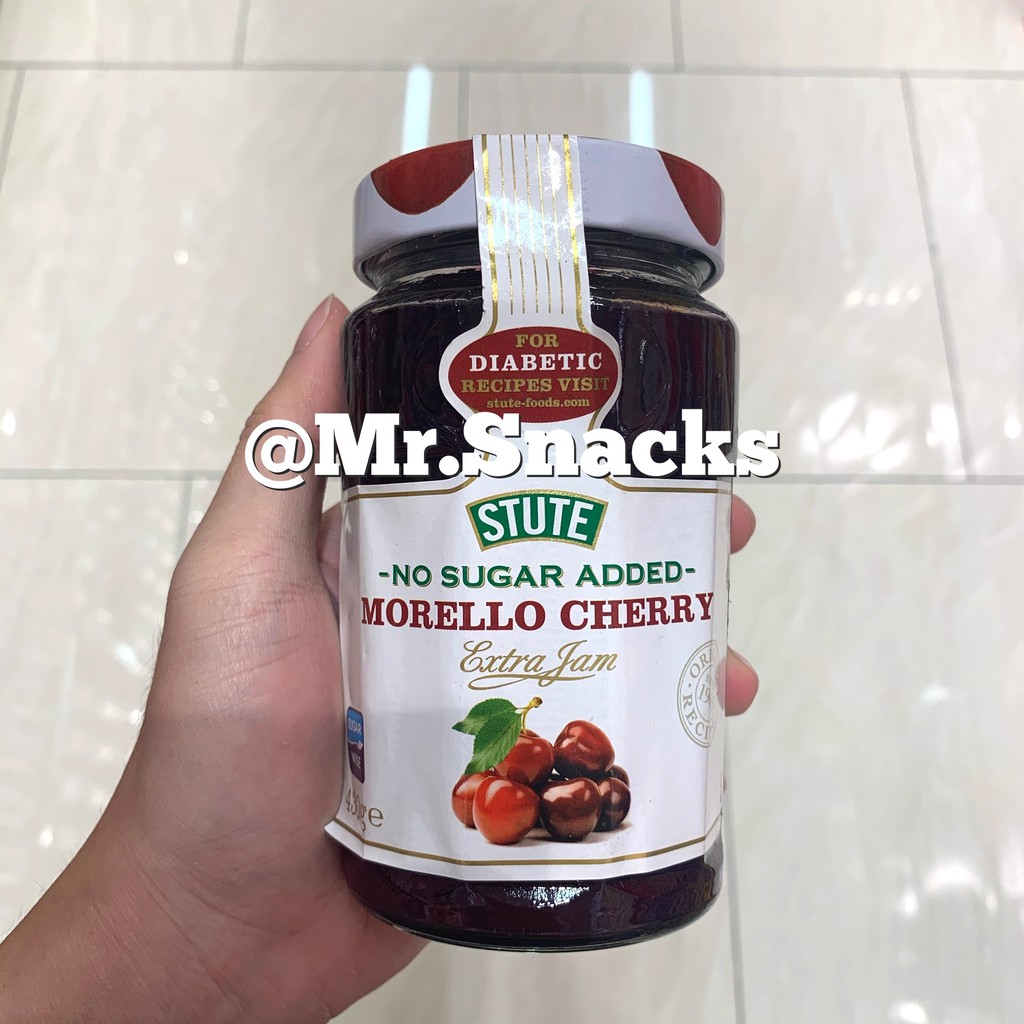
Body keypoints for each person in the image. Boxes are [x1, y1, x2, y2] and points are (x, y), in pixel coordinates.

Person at [0, 297, 759, 1023]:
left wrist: (185, 919)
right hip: (390, 861)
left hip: (433, 870)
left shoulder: (395, 328)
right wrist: (188, 907)